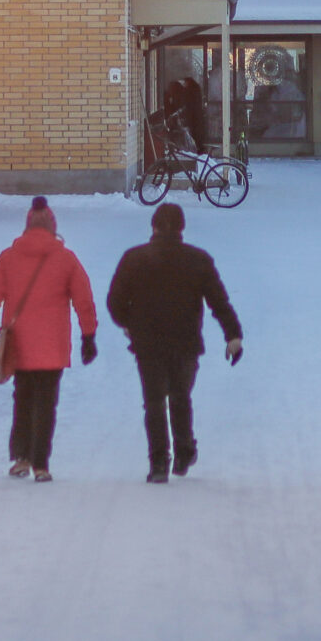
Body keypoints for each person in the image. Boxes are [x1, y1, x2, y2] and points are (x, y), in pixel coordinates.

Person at [105, 200, 243, 484]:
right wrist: (233, 335)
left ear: (153, 226)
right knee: (181, 397)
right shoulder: (198, 260)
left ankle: (158, 464)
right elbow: (219, 302)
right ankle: (183, 453)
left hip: (148, 345)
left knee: (153, 402)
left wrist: (129, 325)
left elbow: (114, 302)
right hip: (185, 343)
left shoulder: (133, 258)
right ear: (182, 228)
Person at [0, 198, 98, 483]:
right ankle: (41, 465)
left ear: (27, 226)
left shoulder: (9, 257)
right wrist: (88, 334)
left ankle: (21, 458)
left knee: (23, 399)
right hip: (53, 347)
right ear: (53, 227)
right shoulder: (66, 259)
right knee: (46, 404)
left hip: (20, 346)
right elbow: (83, 300)